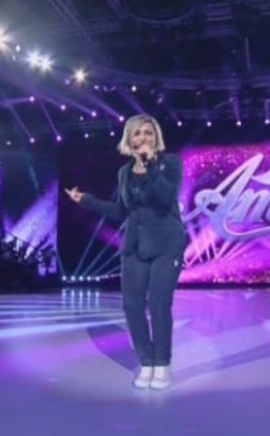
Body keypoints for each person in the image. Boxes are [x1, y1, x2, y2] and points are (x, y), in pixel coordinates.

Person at [65, 114, 186, 390]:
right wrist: (86, 200)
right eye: (137, 133)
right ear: (129, 139)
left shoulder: (170, 163)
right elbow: (121, 210)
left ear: (156, 137)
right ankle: (147, 362)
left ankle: (162, 364)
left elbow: (164, 198)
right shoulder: (124, 172)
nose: (143, 138)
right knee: (132, 306)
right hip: (134, 245)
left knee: (158, 304)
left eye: (148, 133)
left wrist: (151, 165)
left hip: (166, 243)